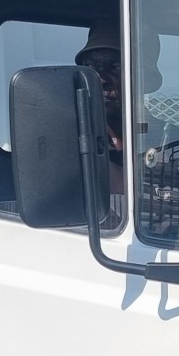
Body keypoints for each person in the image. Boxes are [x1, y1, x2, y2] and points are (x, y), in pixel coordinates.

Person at [75, 20, 126, 223]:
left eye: (115, 66)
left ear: (143, 76)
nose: (101, 78)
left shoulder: (171, 137)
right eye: (91, 67)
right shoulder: (67, 134)